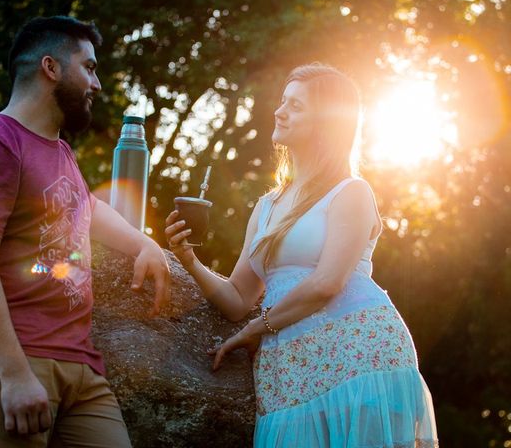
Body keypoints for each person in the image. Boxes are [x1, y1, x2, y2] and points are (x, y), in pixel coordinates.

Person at [165, 63, 438, 447]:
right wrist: (188, 259)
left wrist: (255, 329)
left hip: (360, 359)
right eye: (282, 102)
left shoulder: (351, 192)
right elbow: (238, 298)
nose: (279, 111)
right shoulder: (266, 206)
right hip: (289, 370)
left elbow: (327, 283)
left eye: (295, 105)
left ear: (326, 123)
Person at [0, 15, 171, 447]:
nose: (97, 84)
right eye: (90, 67)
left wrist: (144, 242)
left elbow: (88, 208)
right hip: (1, 364)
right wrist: (14, 373)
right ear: (51, 67)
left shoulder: (60, 152)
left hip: (78, 368)